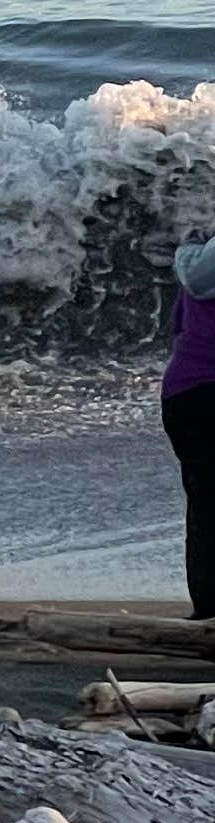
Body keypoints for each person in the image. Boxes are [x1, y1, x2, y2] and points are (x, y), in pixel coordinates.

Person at [171, 235, 215, 620]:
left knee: (203, 505)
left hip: (183, 392)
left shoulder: (193, 274)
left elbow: (178, 333)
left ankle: (206, 610)